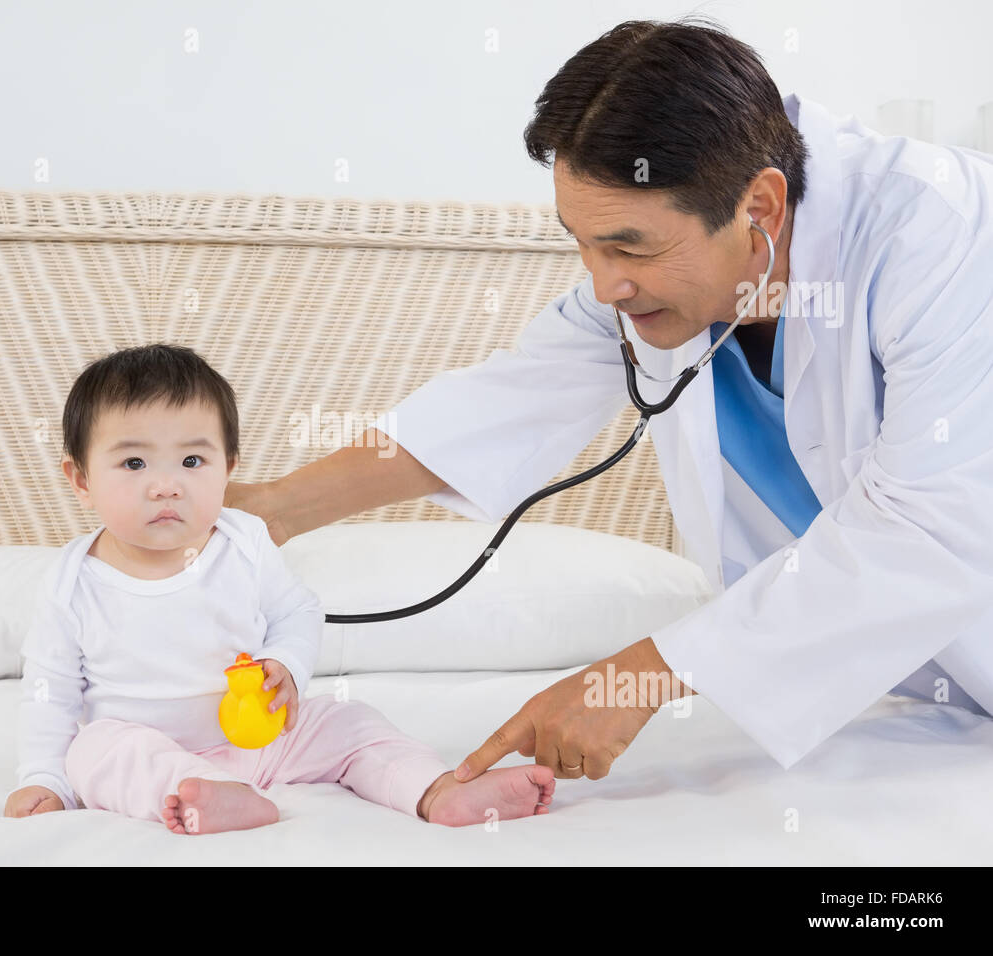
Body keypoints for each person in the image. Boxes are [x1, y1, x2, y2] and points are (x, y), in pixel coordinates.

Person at [226, 17, 993, 781]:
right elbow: (507, 399)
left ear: (759, 208)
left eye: (630, 247)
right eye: (582, 244)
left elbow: (930, 523)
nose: (604, 285)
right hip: (947, 696)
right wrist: (277, 510)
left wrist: (639, 677)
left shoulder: (938, 236)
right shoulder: (661, 273)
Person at [3, 343, 555, 831]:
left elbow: (297, 612)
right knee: (95, 751)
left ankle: (436, 791)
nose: (165, 485)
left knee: (350, 721)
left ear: (228, 468)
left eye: (192, 460)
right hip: (152, 744)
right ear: (81, 480)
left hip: (267, 737)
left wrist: (285, 664)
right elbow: (48, 692)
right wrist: (44, 778)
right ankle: (205, 793)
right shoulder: (73, 582)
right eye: (133, 462)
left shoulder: (244, 541)